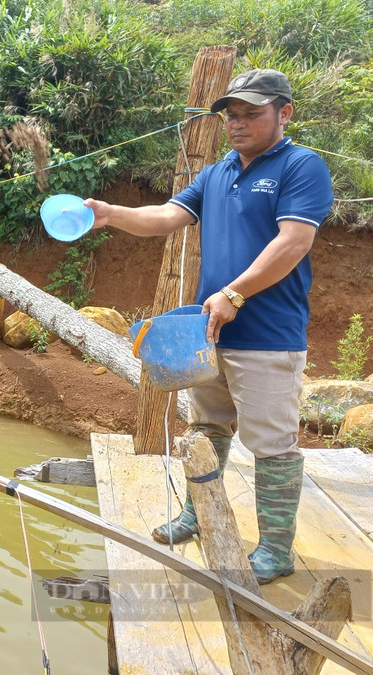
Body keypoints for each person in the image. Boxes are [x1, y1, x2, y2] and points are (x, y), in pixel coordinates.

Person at [84, 69, 334, 585]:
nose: (238, 124)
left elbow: (293, 243)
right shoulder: (219, 172)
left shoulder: (301, 167)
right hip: (210, 330)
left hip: (268, 337)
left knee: (273, 445)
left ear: (284, 113)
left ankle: (276, 549)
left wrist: (235, 293)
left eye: (252, 113)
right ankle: (200, 514)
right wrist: (111, 214)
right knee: (207, 428)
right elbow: (164, 217)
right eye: (231, 115)